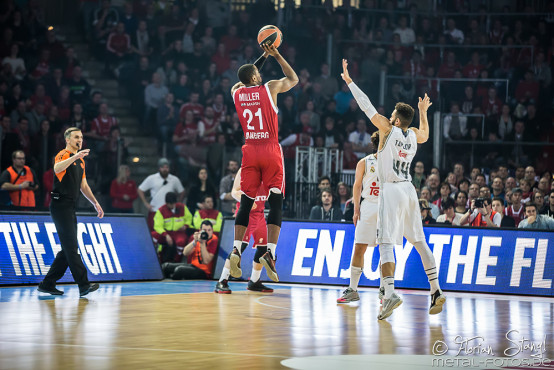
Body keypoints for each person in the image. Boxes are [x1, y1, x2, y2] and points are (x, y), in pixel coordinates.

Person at [342, 58, 445, 320]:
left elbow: (367, 107)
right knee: (420, 242)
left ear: (396, 119)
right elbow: (425, 134)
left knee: (386, 244)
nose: (387, 117)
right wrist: (423, 112)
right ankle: (435, 290)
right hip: (410, 190)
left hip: (391, 190)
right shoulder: (414, 136)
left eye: (391, 116)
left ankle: (389, 294)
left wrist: (350, 81)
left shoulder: (388, 130)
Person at [228, 43, 298, 283]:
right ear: (257, 77)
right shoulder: (269, 88)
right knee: (276, 201)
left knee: (245, 204)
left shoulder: (236, 92)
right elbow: (293, 79)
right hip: (270, 148)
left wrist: (261, 59)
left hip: (249, 149)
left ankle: (236, 249)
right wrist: (276, 55)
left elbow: (244, 77)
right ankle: (271, 251)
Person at [38, 128, 103, 296]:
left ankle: (47, 283)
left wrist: (95, 203)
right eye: (76, 137)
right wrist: (75, 156)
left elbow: (84, 186)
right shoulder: (64, 154)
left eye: (81, 137)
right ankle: (84, 285)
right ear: (67, 140)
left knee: (67, 249)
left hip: (70, 206)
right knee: (72, 248)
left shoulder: (80, 162)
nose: (79, 140)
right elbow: (56, 167)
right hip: (60, 206)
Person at [337, 132, 385, 304]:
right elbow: (357, 186)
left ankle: (385, 290)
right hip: (368, 205)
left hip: (386, 208)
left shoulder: (394, 162)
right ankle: (353, 289)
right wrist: (356, 209)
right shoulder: (364, 162)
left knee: (384, 249)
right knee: (359, 247)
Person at [215, 168, 273, 294]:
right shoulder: (245, 169)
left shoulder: (269, 170)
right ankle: (222, 281)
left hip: (260, 214)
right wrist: (246, 201)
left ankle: (254, 281)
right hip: (246, 214)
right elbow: (234, 192)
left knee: (263, 248)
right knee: (239, 248)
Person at [138, 158, 185, 230]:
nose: (165, 169)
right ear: (159, 168)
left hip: (169, 211)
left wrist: (178, 203)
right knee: (153, 232)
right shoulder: (152, 178)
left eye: (167, 167)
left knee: (168, 232)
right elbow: (140, 189)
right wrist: (146, 203)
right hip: (155, 210)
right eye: (163, 167)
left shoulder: (174, 179)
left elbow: (182, 191)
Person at [151, 192, 193, 263]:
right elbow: (157, 226)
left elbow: (189, 218)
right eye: (171, 204)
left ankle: (177, 261)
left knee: (181, 241)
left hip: (179, 232)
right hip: (166, 232)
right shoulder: (161, 210)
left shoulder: (182, 207)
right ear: (167, 203)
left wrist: (185, 226)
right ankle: (155, 256)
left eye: (174, 203)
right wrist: (166, 235)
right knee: (152, 235)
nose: (173, 206)